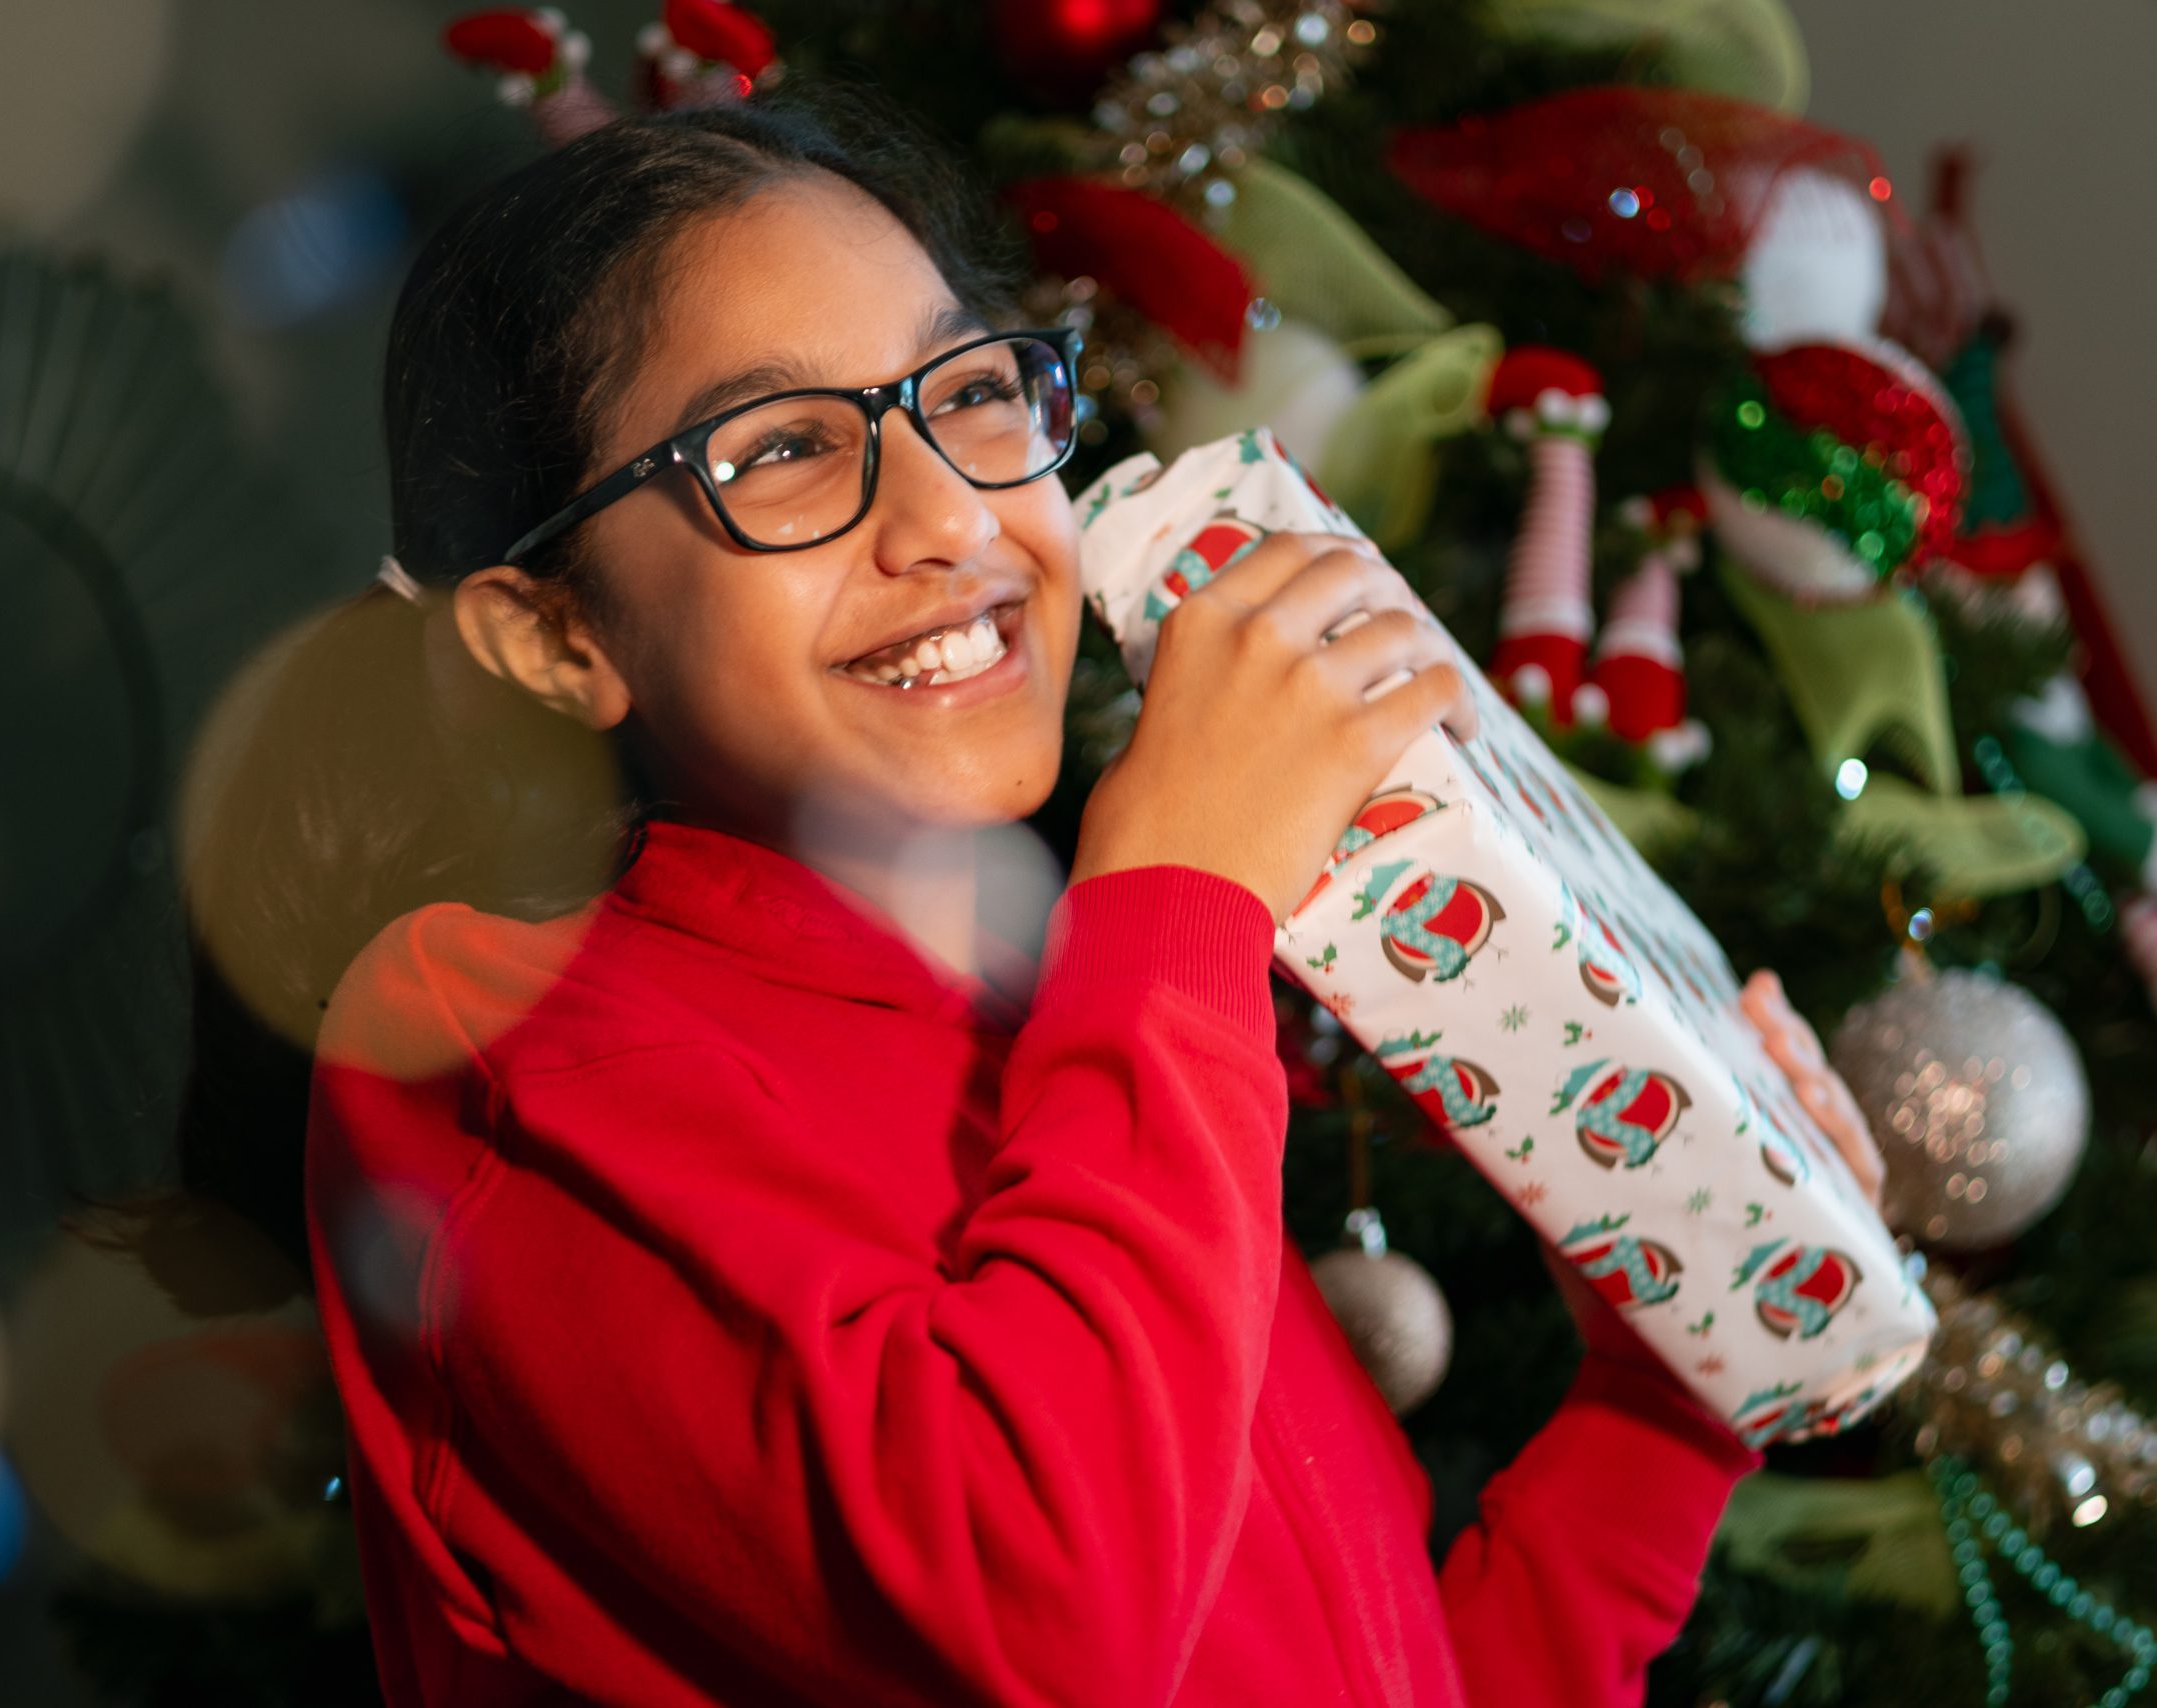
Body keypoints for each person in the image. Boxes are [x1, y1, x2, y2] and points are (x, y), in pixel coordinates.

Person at [185, 81, 1884, 1708]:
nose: (951, 516)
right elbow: (1050, 1623)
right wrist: (1185, 897)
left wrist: (1662, 1400)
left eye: (974, 392)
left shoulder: (1049, 1034)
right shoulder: (484, 1039)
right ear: (554, 640)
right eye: (776, 448)